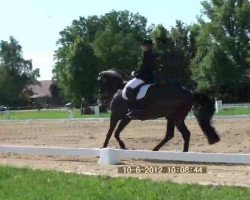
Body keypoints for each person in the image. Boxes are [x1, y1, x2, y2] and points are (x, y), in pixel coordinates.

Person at [122, 39, 158, 119]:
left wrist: (135, 72)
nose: (143, 47)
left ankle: (134, 109)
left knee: (129, 88)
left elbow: (144, 66)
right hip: (148, 75)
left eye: (144, 46)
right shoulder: (151, 54)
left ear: (148, 46)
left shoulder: (148, 54)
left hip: (145, 76)